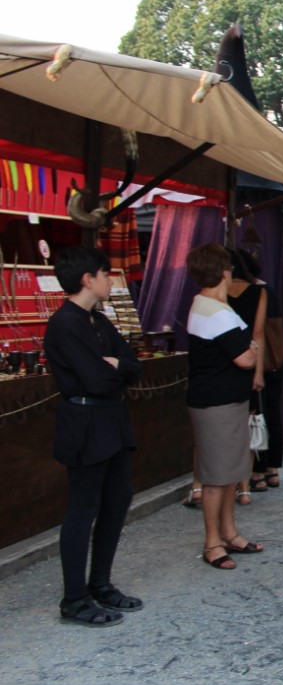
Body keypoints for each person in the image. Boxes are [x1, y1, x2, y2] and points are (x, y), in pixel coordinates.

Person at [44, 246, 144, 626]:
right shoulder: (65, 324)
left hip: (112, 421)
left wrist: (119, 365)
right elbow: (96, 378)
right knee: (83, 509)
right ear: (89, 278)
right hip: (85, 421)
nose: (110, 281)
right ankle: (74, 598)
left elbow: (132, 366)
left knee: (117, 501)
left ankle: (100, 583)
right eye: (106, 274)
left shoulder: (99, 321)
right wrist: (117, 369)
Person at [184, 243, 263, 572]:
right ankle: (212, 542)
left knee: (229, 473)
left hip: (223, 400)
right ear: (224, 273)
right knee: (217, 477)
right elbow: (244, 357)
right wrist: (255, 348)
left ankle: (229, 533)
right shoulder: (215, 310)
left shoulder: (206, 304)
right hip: (215, 403)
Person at [236, 249, 283, 492]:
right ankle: (272, 469)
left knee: (257, 416)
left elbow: (258, 333)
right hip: (275, 361)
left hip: (259, 362)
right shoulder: (268, 290)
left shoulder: (253, 292)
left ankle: (258, 471)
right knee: (271, 415)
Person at [227, 250, 267, 506]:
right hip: (248, 361)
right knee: (248, 426)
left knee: (223, 429)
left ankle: (202, 484)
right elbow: (259, 334)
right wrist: (259, 371)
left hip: (222, 363)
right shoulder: (257, 292)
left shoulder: (213, 295)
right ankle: (244, 487)